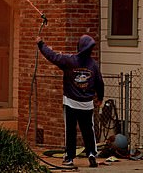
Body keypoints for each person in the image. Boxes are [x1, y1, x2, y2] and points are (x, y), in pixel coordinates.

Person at [36, 34, 104, 168]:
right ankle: (91, 154)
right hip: (87, 104)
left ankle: (69, 158)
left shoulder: (69, 61)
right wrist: (100, 98)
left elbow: (53, 56)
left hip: (71, 103)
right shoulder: (94, 65)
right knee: (88, 130)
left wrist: (40, 44)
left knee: (70, 131)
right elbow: (100, 83)